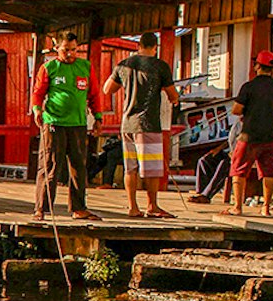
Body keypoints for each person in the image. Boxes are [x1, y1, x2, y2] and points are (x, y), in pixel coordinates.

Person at [103, 31, 179, 218]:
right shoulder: (160, 66)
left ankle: (132, 207)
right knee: (151, 169)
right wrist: (173, 97)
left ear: (138, 46)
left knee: (131, 167)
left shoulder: (124, 65)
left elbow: (107, 89)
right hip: (148, 123)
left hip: (127, 123)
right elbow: (172, 95)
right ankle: (152, 206)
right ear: (155, 47)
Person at [30, 33, 98, 222]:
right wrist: (37, 110)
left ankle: (79, 208)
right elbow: (38, 93)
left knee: (78, 166)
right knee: (50, 166)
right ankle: (42, 209)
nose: (70, 53)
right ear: (57, 49)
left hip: (78, 123)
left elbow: (94, 93)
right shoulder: (49, 67)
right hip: (54, 122)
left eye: (74, 49)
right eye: (66, 49)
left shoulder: (85, 67)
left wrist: (98, 116)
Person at [229, 51, 273, 217]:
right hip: (270, 136)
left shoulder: (248, 87)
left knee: (238, 170)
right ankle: (266, 208)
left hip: (248, 135)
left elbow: (236, 110)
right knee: (268, 172)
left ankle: (237, 207)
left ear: (257, 66)